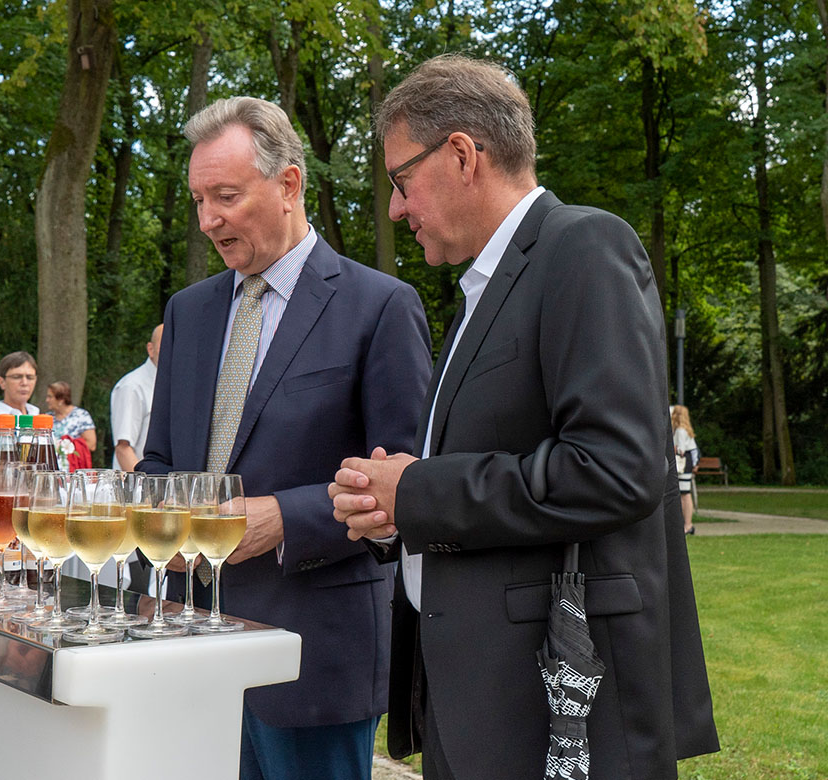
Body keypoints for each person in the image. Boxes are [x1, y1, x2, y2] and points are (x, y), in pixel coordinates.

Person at [329, 54, 719, 779]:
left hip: (560, 707)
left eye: (400, 181)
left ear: (462, 155)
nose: (396, 210)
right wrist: (394, 512)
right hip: (481, 701)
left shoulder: (583, 246)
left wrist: (418, 491)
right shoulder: (482, 290)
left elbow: (617, 470)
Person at [138, 96, 432, 780]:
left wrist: (284, 518)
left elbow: (407, 483)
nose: (207, 219)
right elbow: (158, 459)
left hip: (312, 656)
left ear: (289, 184)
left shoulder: (380, 306)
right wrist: (154, 530)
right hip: (182, 641)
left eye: (226, 196)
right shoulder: (188, 312)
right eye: (199, 200)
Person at [110, 324, 163, 471]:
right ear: (150, 349)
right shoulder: (132, 387)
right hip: (138, 482)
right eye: (165, 344)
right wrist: (145, 484)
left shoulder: (175, 386)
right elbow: (123, 449)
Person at [45, 380, 96, 456]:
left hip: (72, 461)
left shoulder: (81, 416)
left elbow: (91, 445)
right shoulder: (47, 418)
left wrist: (67, 450)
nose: (47, 400)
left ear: (61, 400)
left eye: (50, 397)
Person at [672, 404, 699, 534]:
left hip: (682, 463)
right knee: (685, 493)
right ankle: (687, 524)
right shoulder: (687, 430)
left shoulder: (680, 431)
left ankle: (687, 524)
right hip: (687, 462)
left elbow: (680, 450)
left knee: (684, 494)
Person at [0, 351, 40, 417]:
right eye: (17, 377)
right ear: (2, 382)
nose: (24, 383)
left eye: (30, 377)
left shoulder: (38, 416)